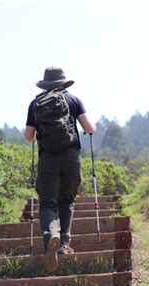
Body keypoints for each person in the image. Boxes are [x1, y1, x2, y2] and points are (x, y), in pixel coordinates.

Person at [24, 66, 96, 271]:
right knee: (67, 200)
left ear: (45, 84)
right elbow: (89, 128)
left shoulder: (36, 103)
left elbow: (28, 136)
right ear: (63, 83)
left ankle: (51, 237)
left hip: (48, 158)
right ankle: (64, 243)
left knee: (48, 203)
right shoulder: (73, 100)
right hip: (71, 156)